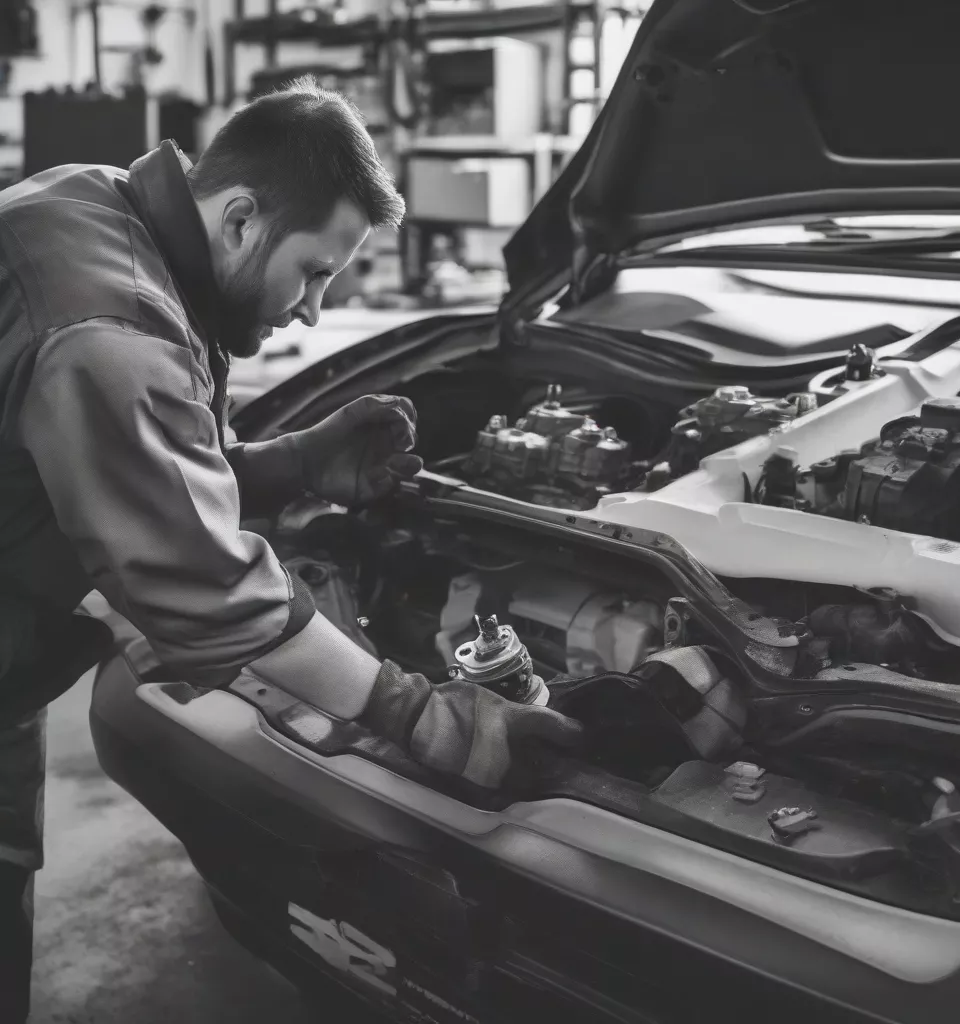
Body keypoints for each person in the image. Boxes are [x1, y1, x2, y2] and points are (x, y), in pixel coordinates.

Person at [0, 76, 583, 1022]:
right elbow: (201, 591)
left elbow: (95, 466)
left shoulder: (97, 202)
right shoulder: (110, 329)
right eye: (313, 271)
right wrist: (426, 717)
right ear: (239, 219)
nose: (315, 310)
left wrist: (290, 466)